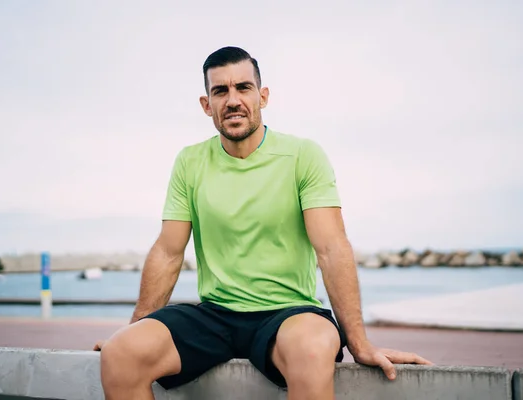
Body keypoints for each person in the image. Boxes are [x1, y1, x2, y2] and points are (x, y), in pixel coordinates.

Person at [94, 46, 432, 400]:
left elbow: (331, 249)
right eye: (220, 91)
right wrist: (135, 330)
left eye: (243, 88)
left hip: (289, 315)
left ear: (263, 96)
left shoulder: (303, 155)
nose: (233, 100)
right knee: (121, 355)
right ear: (206, 105)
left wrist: (359, 343)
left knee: (314, 349)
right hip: (215, 315)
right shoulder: (190, 162)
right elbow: (167, 251)